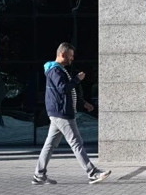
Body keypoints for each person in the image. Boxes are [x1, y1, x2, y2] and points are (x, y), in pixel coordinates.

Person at [32, 42, 111, 185]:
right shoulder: (55, 70)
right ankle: (92, 173)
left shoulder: (58, 70)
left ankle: (39, 175)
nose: (72, 58)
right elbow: (63, 88)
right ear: (62, 54)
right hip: (62, 113)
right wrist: (77, 79)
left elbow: (68, 91)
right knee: (76, 143)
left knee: (50, 145)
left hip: (59, 112)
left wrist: (83, 103)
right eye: (70, 56)